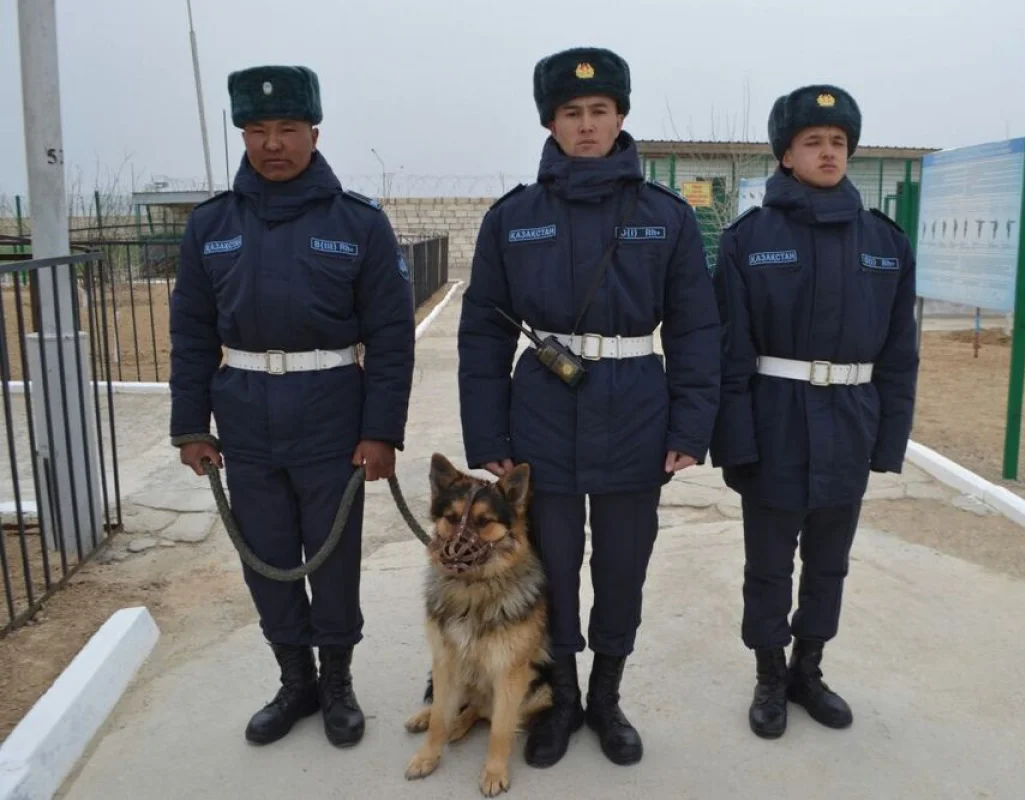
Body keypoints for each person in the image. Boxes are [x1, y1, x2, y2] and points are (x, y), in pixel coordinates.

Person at [456, 47, 721, 768]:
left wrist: (691, 425)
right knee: (553, 565)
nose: (585, 126)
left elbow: (697, 327)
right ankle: (564, 699)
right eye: (571, 114)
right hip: (542, 414)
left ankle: (607, 697)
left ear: (620, 117)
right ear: (550, 121)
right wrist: (488, 433)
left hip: (637, 410)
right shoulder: (515, 218)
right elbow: (482, 330)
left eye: (599, 111)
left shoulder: (664, 218)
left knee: (624, 566)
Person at [168, 65, 416, 748]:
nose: (271, 143)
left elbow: (392, 338)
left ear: (314, 131)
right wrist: (190, 425)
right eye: (256, 129)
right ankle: (295, 681)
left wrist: (381, 431)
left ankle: (337, 682)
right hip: (243, 411)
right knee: (265, 555)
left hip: (332, 408)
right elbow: (190, 332)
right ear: (242, 133)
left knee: (333, 559)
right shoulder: (212, 224)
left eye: (286, 129)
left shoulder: (357, 222)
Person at [710, 84, 919, 739]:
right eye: (813, 143)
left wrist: (888, 442)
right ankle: (770, 675)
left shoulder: (885, 242)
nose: (828, 153)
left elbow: (899, 354)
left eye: (838, 143)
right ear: (786, 155)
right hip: (775, 422)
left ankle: (809, 669)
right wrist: (735, 444)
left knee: (830, 564)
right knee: (769, 566)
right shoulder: (750, 240)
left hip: (850, 424)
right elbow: (730, 355)